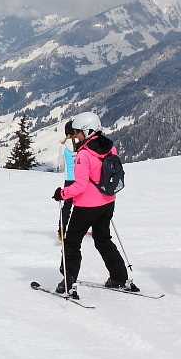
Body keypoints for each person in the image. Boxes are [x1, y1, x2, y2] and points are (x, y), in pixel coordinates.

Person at [52, 112, 131, 297]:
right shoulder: (109, 148)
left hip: (86, 207)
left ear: (88, 131)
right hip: (107, 202)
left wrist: (62, 193)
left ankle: (68, 283)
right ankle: (119, 277)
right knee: (103, 240)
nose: (76, 135)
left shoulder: (84, 155)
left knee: (72, 242)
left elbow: (79, 186)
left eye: (78, 132)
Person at [58, 122, 78, 241]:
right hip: (82, 178)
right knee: (84, 204)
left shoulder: (64, 147)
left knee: (67, 206)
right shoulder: (82, 145)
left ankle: (62, 231)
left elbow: (60, 163)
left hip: (69, 179)